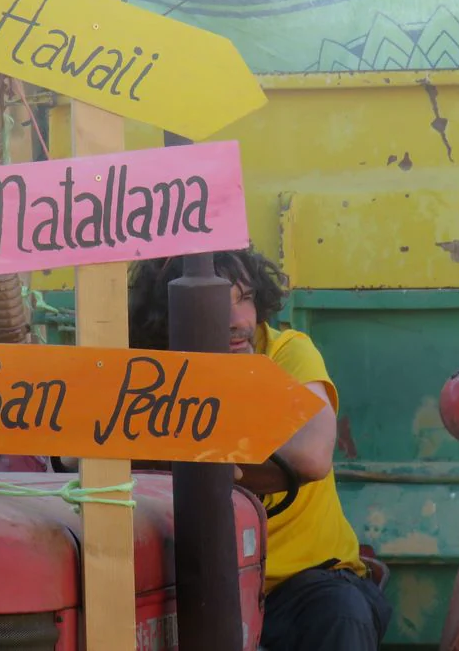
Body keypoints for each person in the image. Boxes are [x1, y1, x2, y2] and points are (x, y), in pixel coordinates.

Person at [126, 248, 391, 650]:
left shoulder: (286, 353)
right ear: (169, 313)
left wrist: (192, 453)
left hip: (300, 585)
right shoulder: (147, 371)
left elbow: (311, 454)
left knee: (340, 612)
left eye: (245, 299)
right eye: (217, 303)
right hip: (184, 585)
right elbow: (81, 458)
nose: (238, 321)